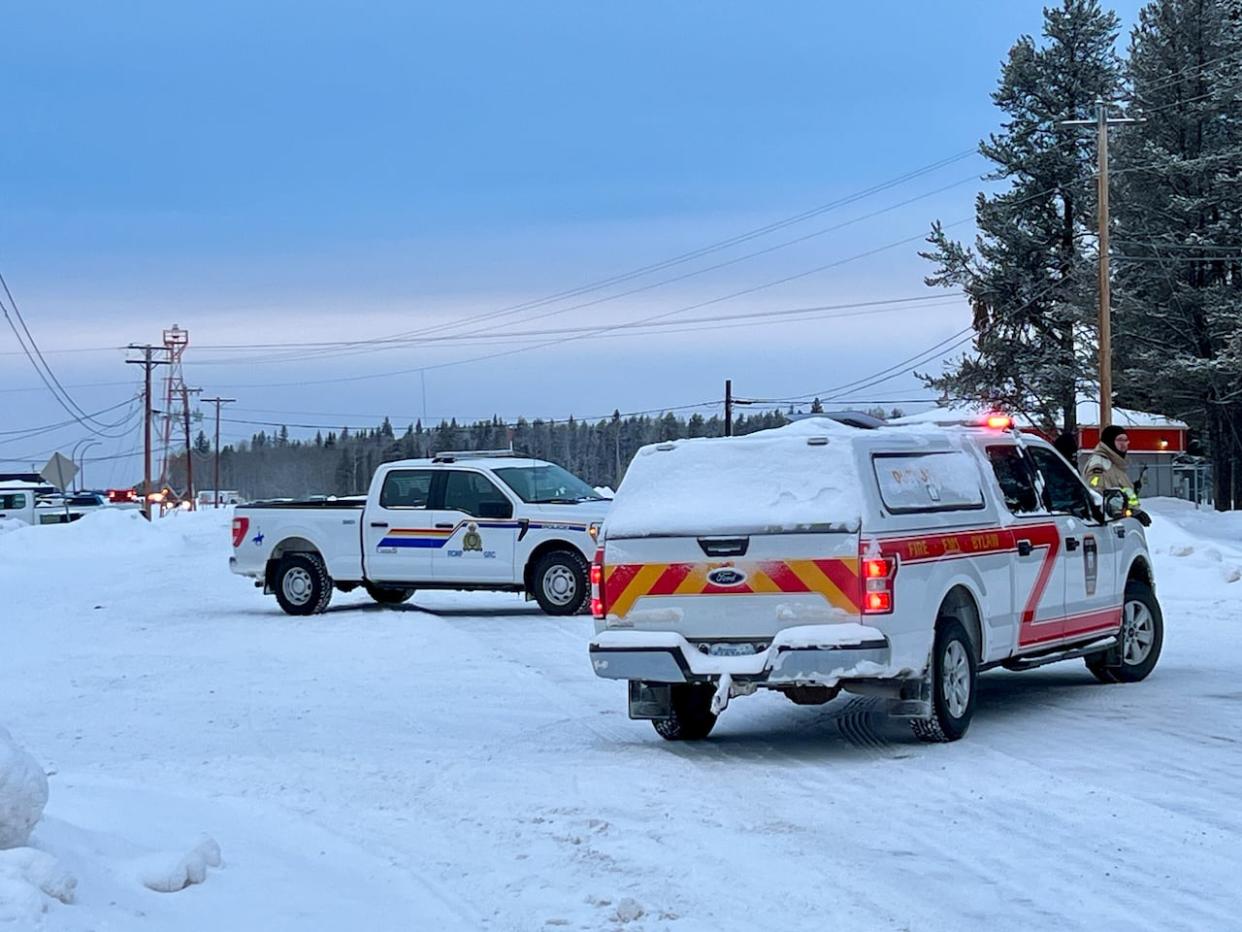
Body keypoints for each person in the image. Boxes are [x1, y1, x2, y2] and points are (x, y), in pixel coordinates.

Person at [1082, 425, 1151, 525]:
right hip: (1109, 525)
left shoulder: (1116, 465)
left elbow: (1121, 491)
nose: (1124, 444)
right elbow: (1095, 495)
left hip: (1124, 523)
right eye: (1119, 440)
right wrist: (1129, 512)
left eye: (1126, 440)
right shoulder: (1100, 465)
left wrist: (1131, 498)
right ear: (1109, 441)